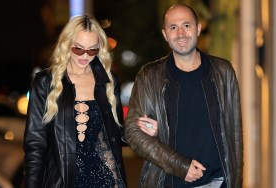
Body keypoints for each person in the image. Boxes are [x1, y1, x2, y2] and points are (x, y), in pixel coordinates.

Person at [125, 3, 243, 188]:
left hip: (217, 182)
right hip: (168, 182)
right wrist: (181, 166)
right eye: (173, 27)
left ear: (198, 29)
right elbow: (133, 132)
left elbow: (234, 135)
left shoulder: (223, 71)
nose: (180, 33)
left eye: (186, 25)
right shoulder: (149, 76)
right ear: (165, 34)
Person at [23, 15, 127, 188]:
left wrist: (139, 129)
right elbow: (35, 146)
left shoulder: (108, 81)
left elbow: (116, 134)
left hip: (107, 181)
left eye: (92, 50)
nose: (85, 56)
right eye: (78, 49)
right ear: (66, 44)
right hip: (64, 181)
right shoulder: (45, 82)